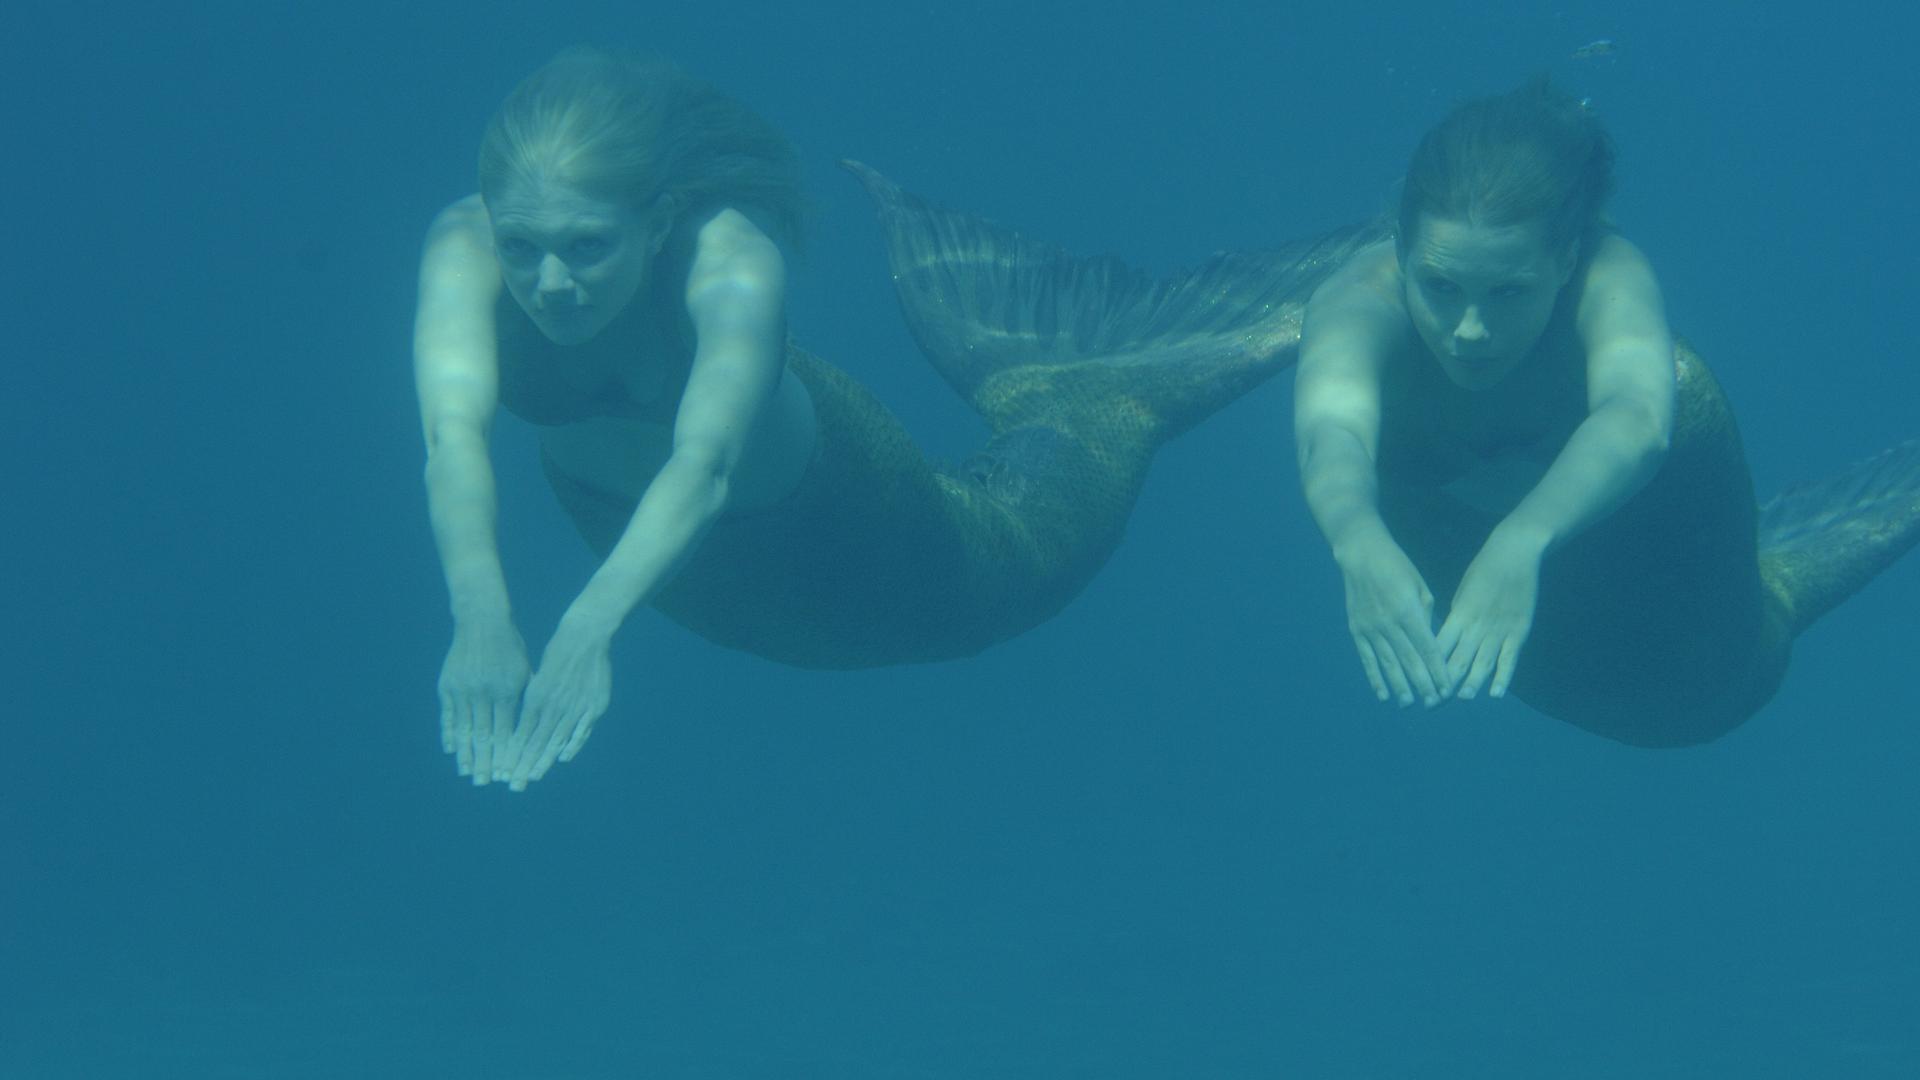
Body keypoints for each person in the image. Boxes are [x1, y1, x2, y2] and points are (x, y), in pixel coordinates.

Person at [413, 47, 1372, 789]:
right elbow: (453, 439)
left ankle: (1091, 385)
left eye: (587, 246)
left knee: (1013, 561)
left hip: (856, 539)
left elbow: (702, 463)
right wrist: (482, 617)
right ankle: (1064, 378)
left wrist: (586, 630)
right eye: (523, 244)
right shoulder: (466, 248)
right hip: (664, 561)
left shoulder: (731, 262)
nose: (549, 281)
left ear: (659, 221)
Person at [1291, 79, 1918, 746]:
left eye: (1508, 292)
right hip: (1487, 556)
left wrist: (1519, 539)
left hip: (1664, 543)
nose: (1469, 329)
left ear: (1565, 260)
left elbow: (1638, 420)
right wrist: (1355, 541)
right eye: (1440, 286)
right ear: (1400, 249)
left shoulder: (1609, 277)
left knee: (1714, 691)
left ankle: (1777, 579)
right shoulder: (1357, 300)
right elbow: (1334, 430)